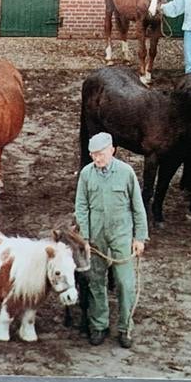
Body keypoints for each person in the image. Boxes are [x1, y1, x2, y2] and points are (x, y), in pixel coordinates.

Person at [74, 132, 149, 349]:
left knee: (126, 284)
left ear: (112, 150)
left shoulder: (126, 173)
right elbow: (81, 207)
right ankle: (99, 325)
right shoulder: (87, 175)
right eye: (93, 155)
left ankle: (125, 328)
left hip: (121, 237)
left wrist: (140, 238)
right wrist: (85, 238)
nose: (98, 159)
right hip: (96, 240)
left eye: (101, 154)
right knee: (96, 282)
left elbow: (137, 208)